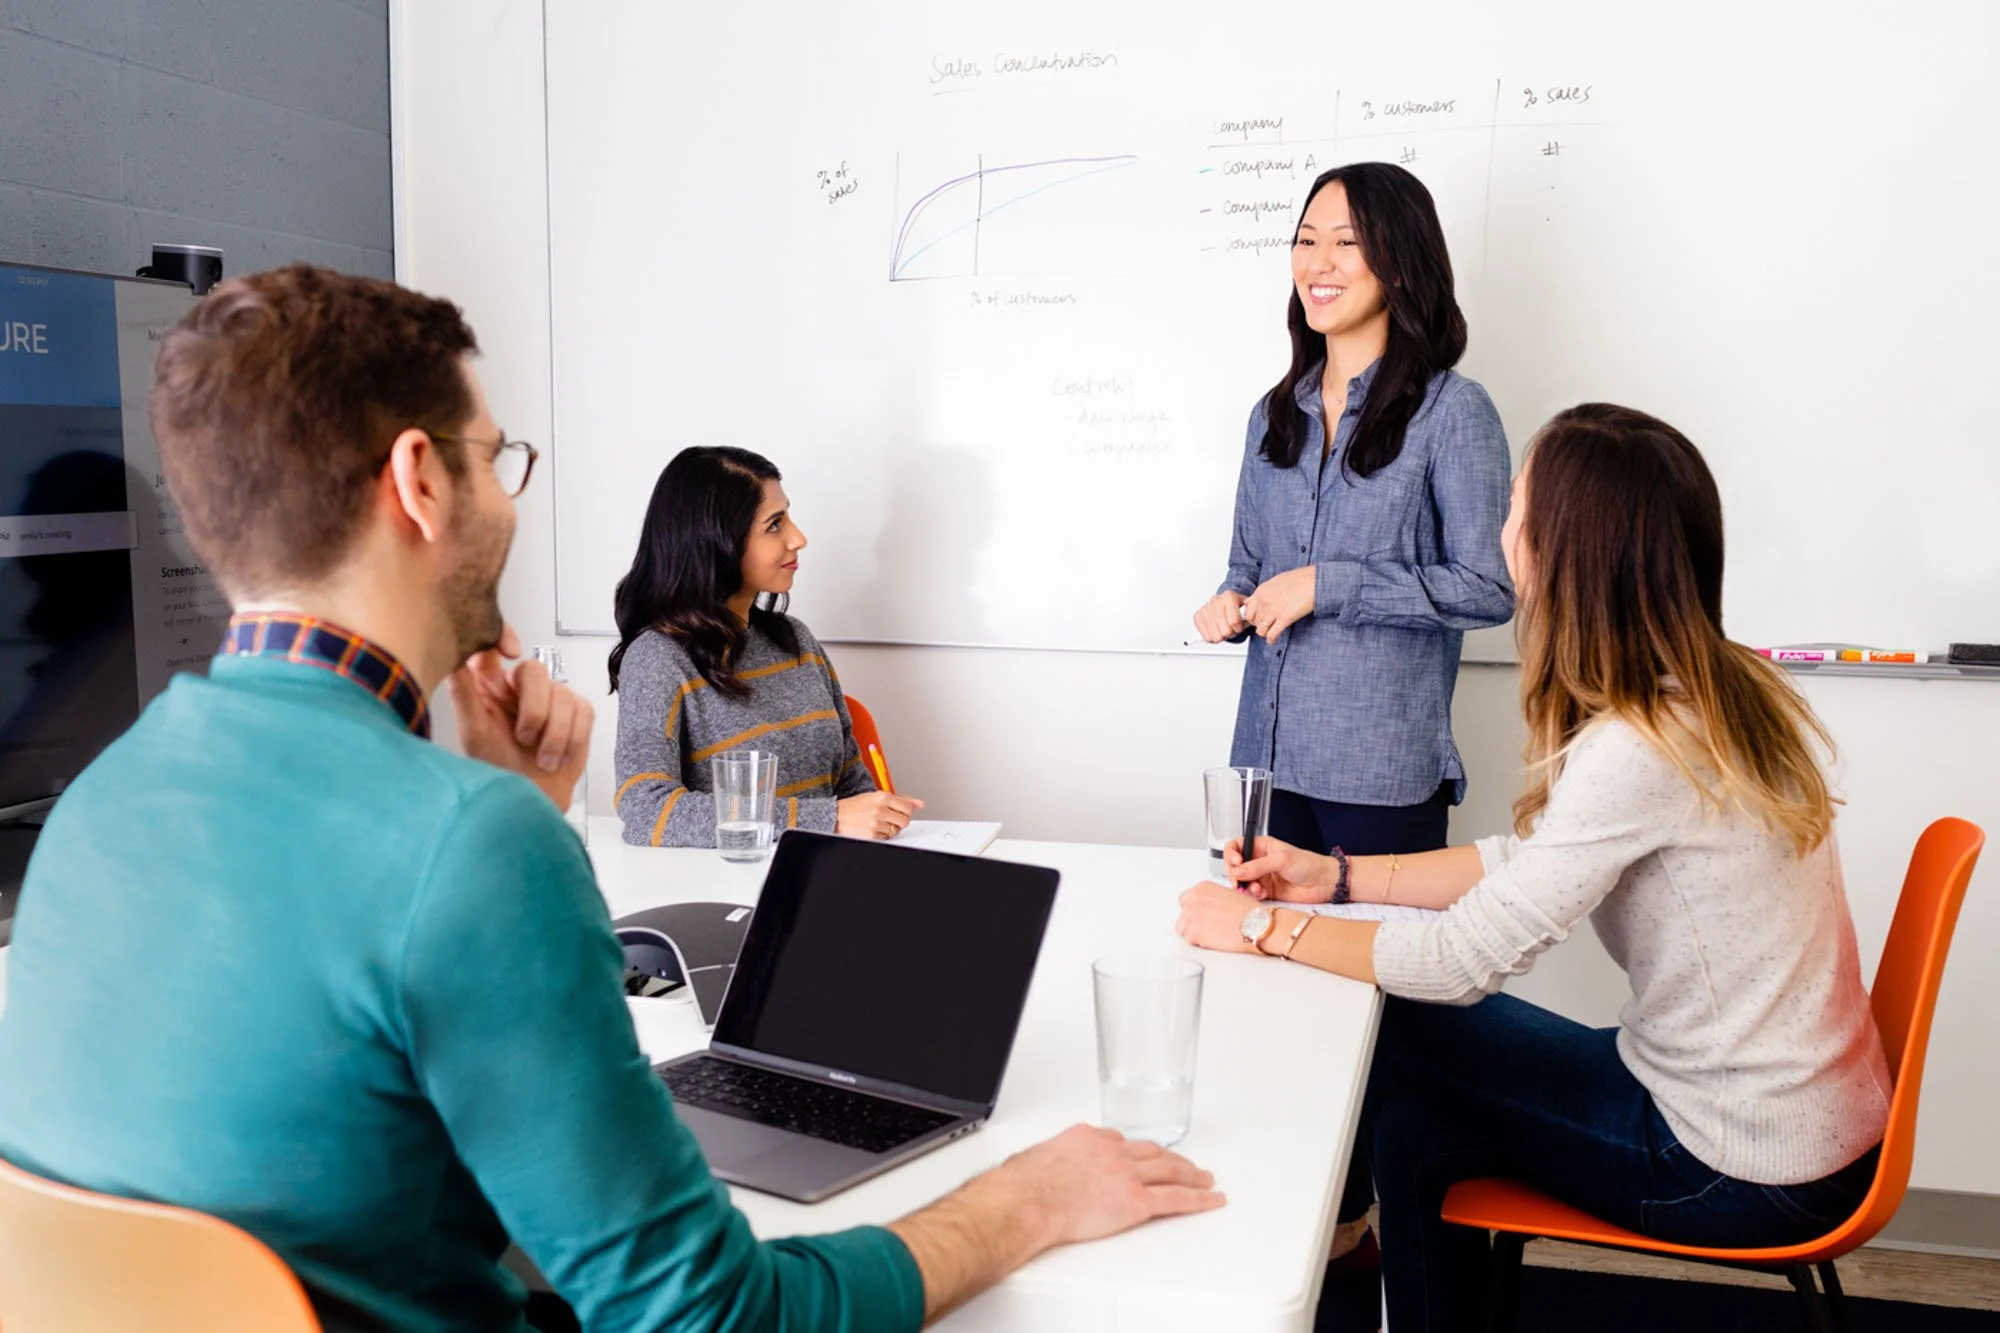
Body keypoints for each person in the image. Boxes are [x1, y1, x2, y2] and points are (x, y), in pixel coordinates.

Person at [0, 266, 1222, 1333]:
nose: (510, 499)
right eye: (497, 459)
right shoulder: (468, 846)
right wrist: (1022, 1199)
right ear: (420, 480)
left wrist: (506, 808)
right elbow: (708, 1314)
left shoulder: (99, 802)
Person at [1175, 404, 1889, 1332]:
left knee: (1400, 1039)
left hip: (1732, 1160)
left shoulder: (1642, 744)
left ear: (1565, 552)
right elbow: (1532, 862)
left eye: (1513, 510)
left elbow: (1457, 966)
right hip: (1797, 1123)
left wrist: (1264, 927)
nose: (1499, 534)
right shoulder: (1720, 688)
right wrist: (1335, 878)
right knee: (1413, 1118)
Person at [1191, 162, 1514, 861]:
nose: (1319, 263)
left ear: (1399, 262)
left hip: (1380, 780)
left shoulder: (1453, 412)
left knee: (1380, 969)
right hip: (1263, 770)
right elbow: (1246, 569)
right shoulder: (1273, 414)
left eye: (1346, 242)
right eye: (1306, 241)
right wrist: (1228, 603)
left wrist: (1329, 584)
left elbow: (1489, 588)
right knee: (1255, 958)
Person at [610, 448, 919, 846]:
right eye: (774, 524)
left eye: (787, 516)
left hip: (824, 875)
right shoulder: (658, 659)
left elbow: (850, 785)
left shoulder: (797, 642)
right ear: (715, 541)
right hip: (733, 890)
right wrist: (826, 819)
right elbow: (644, 810)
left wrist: (881, 815)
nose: (798, 538)